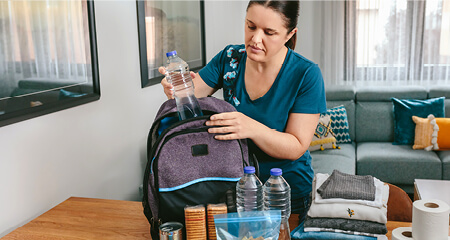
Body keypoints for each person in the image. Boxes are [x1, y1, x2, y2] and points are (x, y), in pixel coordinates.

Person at [159, 0, 326, 223]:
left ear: (289, 34)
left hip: (286, 193)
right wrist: (176, 90)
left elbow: (296, 146)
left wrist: (249, 127)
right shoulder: (230, 58)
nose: (256, 39)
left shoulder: (306, 74)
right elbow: (190, 97)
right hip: (237, 190)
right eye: (251, 26)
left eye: (269, 32)